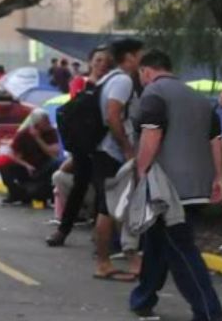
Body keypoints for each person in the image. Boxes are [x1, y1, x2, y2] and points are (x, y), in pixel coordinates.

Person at [128, 50, 222, 321]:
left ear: (146, 71)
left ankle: (208, 312)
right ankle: (143, 298)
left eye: (141, 75)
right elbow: (215, 141)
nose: (143, 81)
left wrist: (141, 170)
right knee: (158, 241)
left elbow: (152, 134)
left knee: (181, 250)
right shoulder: (199, 99)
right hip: (196, 186)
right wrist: (218, 178)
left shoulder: (154, 94)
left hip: (167, 188)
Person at [91, 37, 144, 281]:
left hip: (103, 150)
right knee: (109, 208)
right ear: (130, 56)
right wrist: (127, 149)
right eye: (139, 54)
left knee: (111, 207)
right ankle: (103, 262)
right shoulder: (122, 80)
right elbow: (113, 115)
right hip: (112, 152)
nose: (142, 59)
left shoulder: (108, 79)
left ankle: (123, 259)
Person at [47, 45, 110, 247]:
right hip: (84, 145)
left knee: (104, 189)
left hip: (104, 144)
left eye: (106, 61)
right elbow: (77, 113)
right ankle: (63, 230)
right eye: (98, 60)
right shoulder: (81, 83)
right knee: (79, 186)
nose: (102, 64)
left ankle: (100, 234)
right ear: (90, 62)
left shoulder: (112, 85)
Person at [0, 109, 61, 204]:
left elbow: (54, 153)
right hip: (27, 167)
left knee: (58, 162)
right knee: (2, 163)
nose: (48, 122)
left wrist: (38, 138)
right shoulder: (24, 133)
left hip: (44, 166)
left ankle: (49, 195)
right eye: (45, 121)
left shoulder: (51, 132)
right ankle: (14, 193)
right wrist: (26, 165)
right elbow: (12, 154)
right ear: (37, 124)